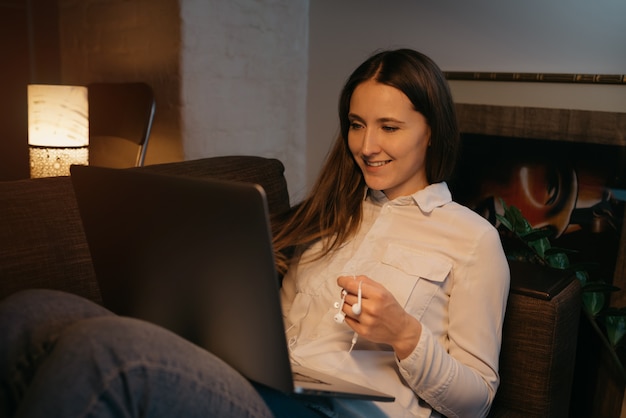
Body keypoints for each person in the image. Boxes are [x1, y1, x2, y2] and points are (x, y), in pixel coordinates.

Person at [0, 48, 509, 418]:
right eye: (356, 124)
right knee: (30, 311)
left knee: (106, 352)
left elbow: (477, 399)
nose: (366, 144)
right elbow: (268, 338)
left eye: (389, 127)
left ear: (432, 129)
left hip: (343, 415)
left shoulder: (472, 240)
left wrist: (405, 335)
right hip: (271, 388)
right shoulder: (327, 214)